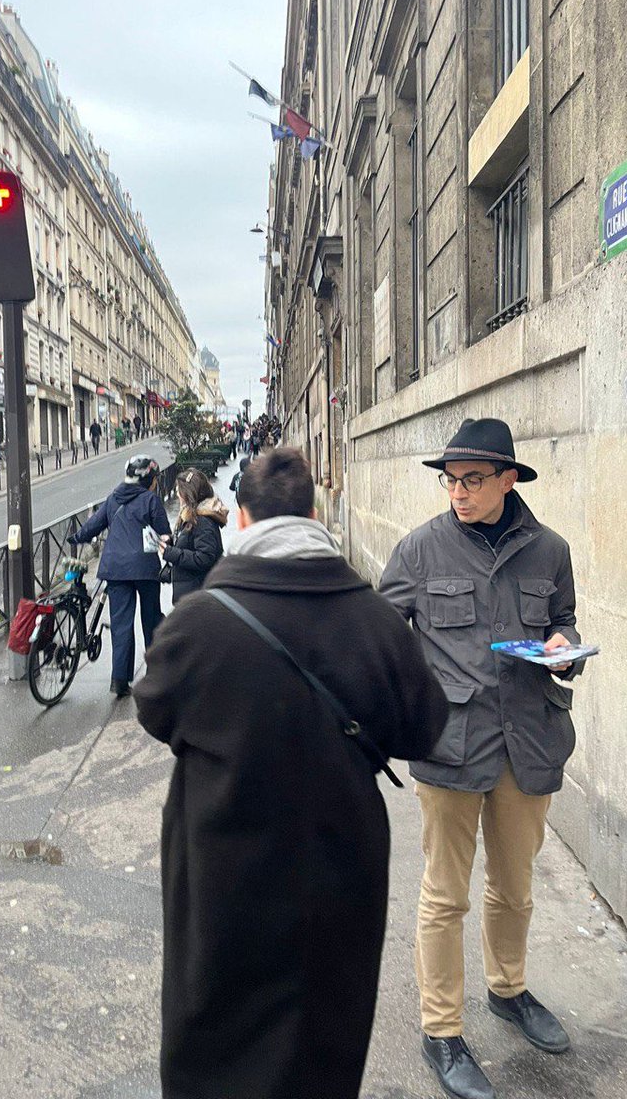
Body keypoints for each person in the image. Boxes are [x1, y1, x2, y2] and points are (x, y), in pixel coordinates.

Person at [134, 448, 448, 1099]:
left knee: (214, 1038)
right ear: (312, 513)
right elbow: (423, 728)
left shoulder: (198, 623)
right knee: (320, 1044)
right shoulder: (376, 621)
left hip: (223, 874)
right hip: (336, 878)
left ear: (244, 518)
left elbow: (156, 710)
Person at [379, 418, 585, 1099]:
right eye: (450, 480)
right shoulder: (419, 550)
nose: (458, 493)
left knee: (515, 887)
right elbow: (381, 637)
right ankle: (441, 1030)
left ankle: (509, 990)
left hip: (528, 740)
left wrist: (562, 644)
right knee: (444, 895)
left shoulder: (549, 551)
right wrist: (411, 698)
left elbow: (565, 618)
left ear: (507, 479)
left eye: (471, 480)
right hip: (451, 744)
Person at [71, 455, 171, 700]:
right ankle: (156, 674)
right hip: (146, 569)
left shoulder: (114, 498)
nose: (156, 483)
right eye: (155, 478)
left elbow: (92, 526)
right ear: (149, 479)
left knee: (121, 624)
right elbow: (165, 533)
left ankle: (120, 680)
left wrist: (76, 537)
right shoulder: (150, 500)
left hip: (116, 569)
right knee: (151, 619)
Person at [160, 468, 228, 603]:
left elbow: (204, 558)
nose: (178, 495)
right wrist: (172, 542)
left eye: (179, 490)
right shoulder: (192, 516)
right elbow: (191, 544)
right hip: (191, 594)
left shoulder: (202, 521)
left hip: (196, 597)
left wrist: (171, 553)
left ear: (188, 494)